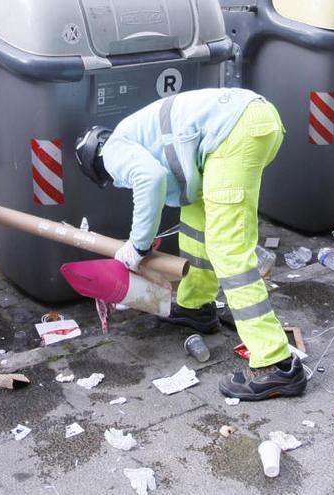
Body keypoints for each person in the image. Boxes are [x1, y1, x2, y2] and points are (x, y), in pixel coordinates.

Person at [74, 88, 306, 401]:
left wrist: (137, 247)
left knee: (228, 249)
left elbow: (150, 180)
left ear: (95, 163)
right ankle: (196, 306)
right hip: (248, 122)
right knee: (196, 228)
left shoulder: (112, 152)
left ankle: (275, 363)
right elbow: (167, 178)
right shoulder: (136, 133)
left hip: (234, 132)